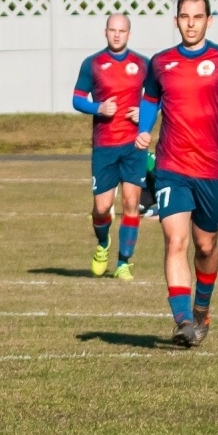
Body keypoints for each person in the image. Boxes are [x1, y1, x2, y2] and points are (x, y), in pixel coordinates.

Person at [134, 0, 218, 347]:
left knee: (205, 246)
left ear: (209, 20)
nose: (191, 24)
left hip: (212, 169)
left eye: (197, 17)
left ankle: (202, 311)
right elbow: (149, 100)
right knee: (174, 240)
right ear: (176, 21)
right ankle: (182, 320)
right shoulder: (160, 63)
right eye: (185, 17)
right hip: (172, 166)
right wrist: (145, 129)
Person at [73, 14, 149, 279]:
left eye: (122, 31)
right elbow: (77, 98)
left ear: (129, 33)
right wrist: (98, 107)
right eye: (113, 30)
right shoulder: (92, 64)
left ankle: (123, 263)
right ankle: (103, 244)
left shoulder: (142, 64)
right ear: (105, 32)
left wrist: (145, 114)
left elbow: (157, 98)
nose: (117, 35)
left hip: (133, 145)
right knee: (103, 207)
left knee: (131, 202)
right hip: (105, 145)